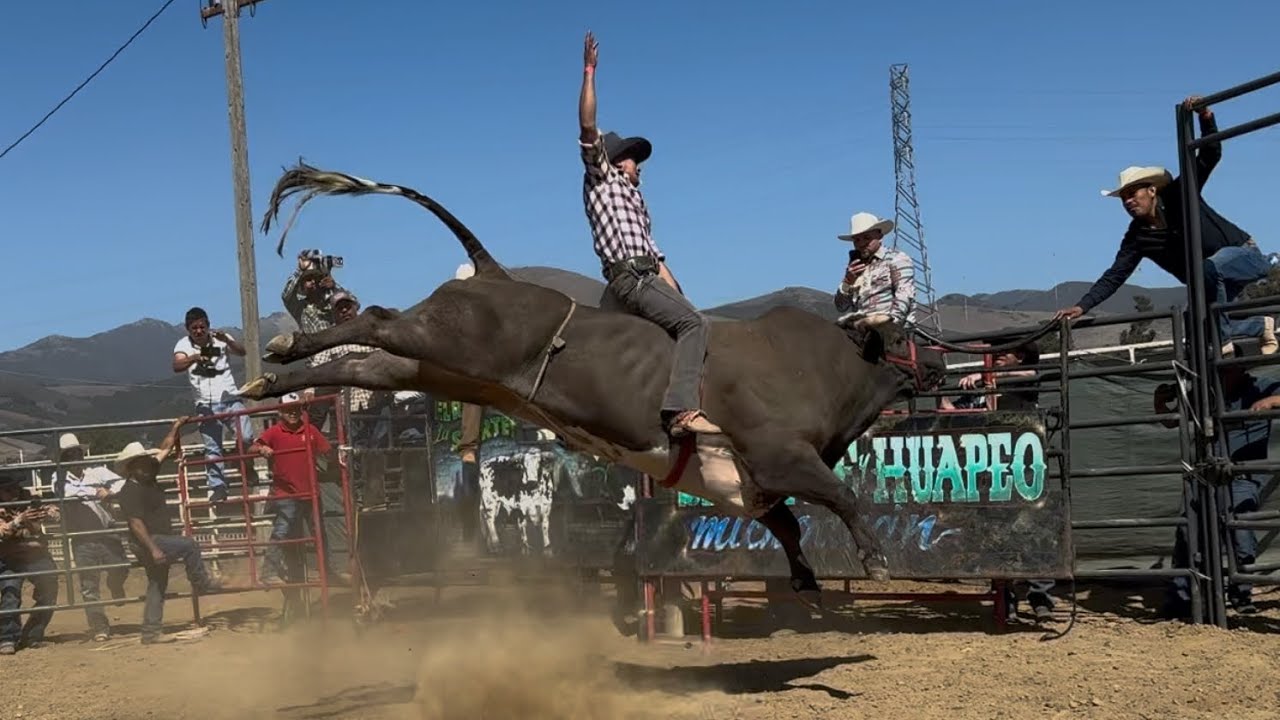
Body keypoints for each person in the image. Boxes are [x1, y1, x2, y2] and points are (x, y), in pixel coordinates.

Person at [1054, 95, 1277, 357]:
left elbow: (1210, 155)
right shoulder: (1137, 237)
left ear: (1151, 191)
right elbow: (1115, 275)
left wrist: (1206, 118)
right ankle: (1257, 329)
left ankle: (1224, 341)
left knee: (1208, 275)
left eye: (1132, 193)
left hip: (1243, 256)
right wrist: (1082, 306)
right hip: (1208, 282)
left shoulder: (1179, 193)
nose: (1128, 201)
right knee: (1193, 326)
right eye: (1123, 198)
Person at [577, 30, 719, 438]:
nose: (638, 164)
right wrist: (589, 72)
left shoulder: (637, 202)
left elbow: (658, 260)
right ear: (614, 161)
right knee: (694, 326)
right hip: (630, 278)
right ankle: (681, 410)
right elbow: (587, 126)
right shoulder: (602, 179)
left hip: (643, 275)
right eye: (632, 158)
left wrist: (683, 301)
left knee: (686, 323)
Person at [1155, 364, 1276, 616]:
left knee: (1240, 533)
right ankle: (1181, 598)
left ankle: (1241, 593)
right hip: (1204, 473)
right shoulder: (1204, 391)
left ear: (1241, 368)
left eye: (1227, 369)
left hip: (1241, 473)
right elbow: (1171, 422)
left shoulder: (1260, 386)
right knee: (1188, 533)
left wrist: (1272, 401)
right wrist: (1159, 403)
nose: (1221, 374)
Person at [115, 418, 221, 644]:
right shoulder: (129, 491)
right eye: (141, 463)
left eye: (145, 461)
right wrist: (153, 549)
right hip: (148, 540)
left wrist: (175, 427)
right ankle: (202, 583)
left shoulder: (146, 475)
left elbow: (165, 449)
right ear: (132, 468)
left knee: (157, 583)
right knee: (189, 545)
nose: (147, 465)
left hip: (153, 538)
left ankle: (151, 631)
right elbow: (136, 523)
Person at [250, 394, 348, 586]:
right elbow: (253, 447)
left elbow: (327, 450)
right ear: (281, 412)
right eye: (289, 410)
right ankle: (269, 572)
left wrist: (340, 455)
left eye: (296, 409)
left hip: (309, 492)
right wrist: (262, 449)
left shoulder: (310, 430)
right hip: (286, 493)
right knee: (284, 530)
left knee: (318, 532)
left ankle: (327, 570)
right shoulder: (275, 432)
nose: (293, 413)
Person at [172, 306, 256, 504]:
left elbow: (242, 352)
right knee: (212, 448)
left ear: (208, 326)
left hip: (230, 397)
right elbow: (176, 365)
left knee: (246, 436)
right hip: (205, 403)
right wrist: (193, 358)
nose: (199, 331)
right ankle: (217, 487)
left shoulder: (221, 338)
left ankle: (244, 464)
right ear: (188, 329)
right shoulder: (183, 345)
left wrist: (227, 340)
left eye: (202, 327)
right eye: (194, 328)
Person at [52, 433, 129, 642]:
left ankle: (115, 585)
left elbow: (123, 484)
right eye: (70, 455)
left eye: (77, 453)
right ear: (64, 459)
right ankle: (99, 626)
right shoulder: (59, 478)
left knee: (121, 567)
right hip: (83, 536)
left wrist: (109, 492)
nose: (75, 457)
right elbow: (67, 494)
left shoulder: (97, 472)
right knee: (89, 585)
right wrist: (98, 492)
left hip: (106, 532)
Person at [0, 472, 60, 655]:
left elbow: (52, 509)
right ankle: (8, 637)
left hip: (35, 555)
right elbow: (2, 533)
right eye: (8, 490)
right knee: (10, 594)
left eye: (16, 487)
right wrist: (19, 520)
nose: (14, 492)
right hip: (9, 557)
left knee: (49, 589)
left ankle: (33, 634)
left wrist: (50, 512)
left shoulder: (28, 497)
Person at [833, 212, 917, 329]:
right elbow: (841, 307)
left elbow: (904, 294)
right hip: (859, 328)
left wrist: (891, 323)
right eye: (857, 240)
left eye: (867, 238)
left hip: (890, 328)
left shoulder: (897, 259)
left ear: (880, 235)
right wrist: (847, 282)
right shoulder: (855, 266)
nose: (861, 243)